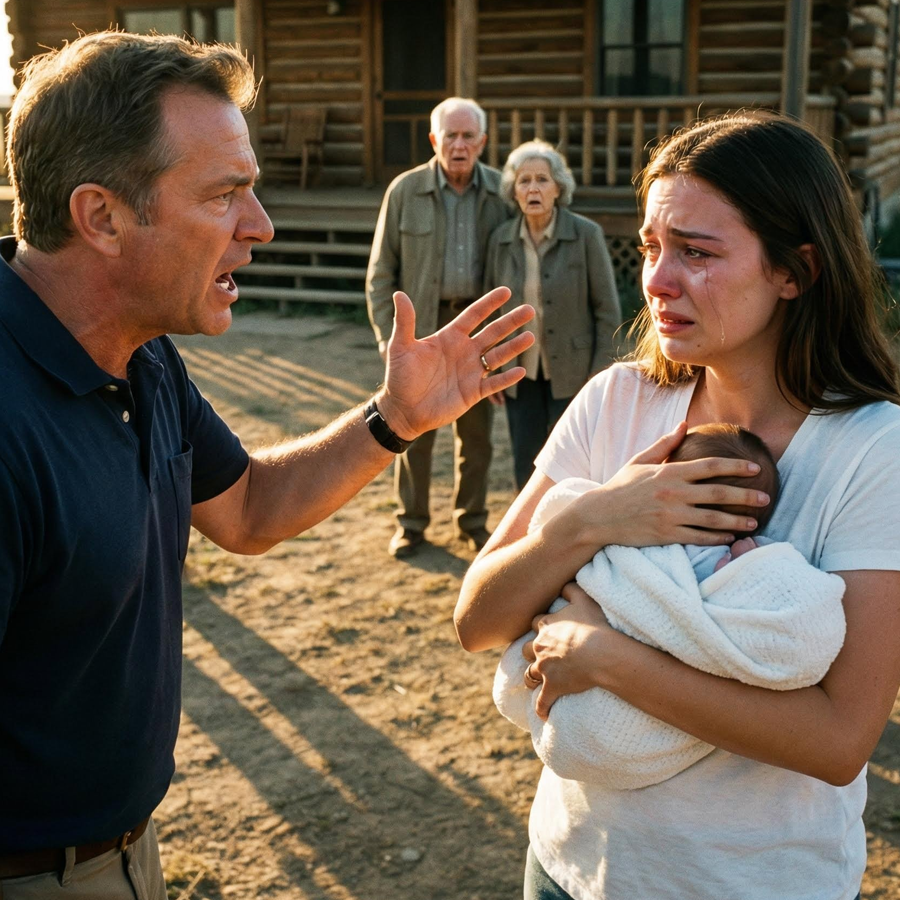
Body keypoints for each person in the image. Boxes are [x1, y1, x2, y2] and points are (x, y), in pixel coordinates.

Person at [0, 32, 534, 900]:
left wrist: (394, 419)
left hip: (128, 856)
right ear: (101, 216)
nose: (261, 226)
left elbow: (247, 506)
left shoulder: (140, 358)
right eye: (226, 194)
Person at [455, 110, 900, 900]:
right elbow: (477, 619)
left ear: (795, 270)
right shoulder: (615, 401)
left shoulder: (875, 449)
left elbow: (839, 740)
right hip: (568, 866)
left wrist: (606, 661)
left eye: (696, 252)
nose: (656, 280)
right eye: (653, 247)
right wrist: (597, 519)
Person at [493, 424, 846, 790]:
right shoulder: (741, 561)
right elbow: (798, 625)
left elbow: (839, 749)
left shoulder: (631, 541)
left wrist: (598, 650)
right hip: (585, 814)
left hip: (581, 717)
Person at [366, 97, 511, 557]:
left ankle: (471, 520)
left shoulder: (502, 194)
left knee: (477, 438)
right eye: (451, 135)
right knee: (410, 432)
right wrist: (391, 342)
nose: (460, 144)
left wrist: (505, 343)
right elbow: (380, 274)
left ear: (483, 142)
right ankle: (410, 523)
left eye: (469, 136)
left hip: (478, 331)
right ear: (434, 140)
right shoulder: (404, 191)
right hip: (422, 331)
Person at [483, 140, 621, 490]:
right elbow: (489, 311)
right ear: (513, 191)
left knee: (573, 462)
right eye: (524, 180)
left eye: (542, 179)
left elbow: (607, 309)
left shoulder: (586, 234)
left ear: (558, 188)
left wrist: (599, 372)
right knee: (525, 459)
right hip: (520, 371)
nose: (533, 188)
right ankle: (528, 537)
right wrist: (491, 366)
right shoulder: (500, 240)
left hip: (574, 373)